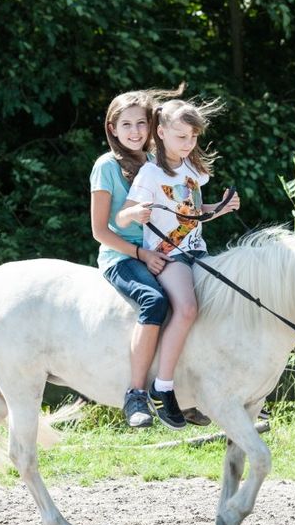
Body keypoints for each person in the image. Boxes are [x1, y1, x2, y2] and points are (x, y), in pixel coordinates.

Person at [91, 85, 213, 430]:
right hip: (123, 254)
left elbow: (183, 207)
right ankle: (135, 393)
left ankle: (182, 391)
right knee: (154, 300)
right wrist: (140, 254)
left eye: (141, 124)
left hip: (164, 250)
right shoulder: (106, 167)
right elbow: (101, 231)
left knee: (195, 303)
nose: (135, 132)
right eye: (126, 125)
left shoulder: (156, 164)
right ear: (112, 128)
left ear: (152, 127)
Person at [117, 97, 240, 429]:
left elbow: (192, 215)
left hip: (197, 251)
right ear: (161, 132)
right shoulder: (150, 173)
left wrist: (221, 207)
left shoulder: (193, 171)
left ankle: (230, 389)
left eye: (194, 137)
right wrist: (136, 213)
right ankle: (163, 386)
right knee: (186, 309)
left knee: (226, 306)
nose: (189, 144)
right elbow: (123, 215)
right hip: (170, 257)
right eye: (182, 137)